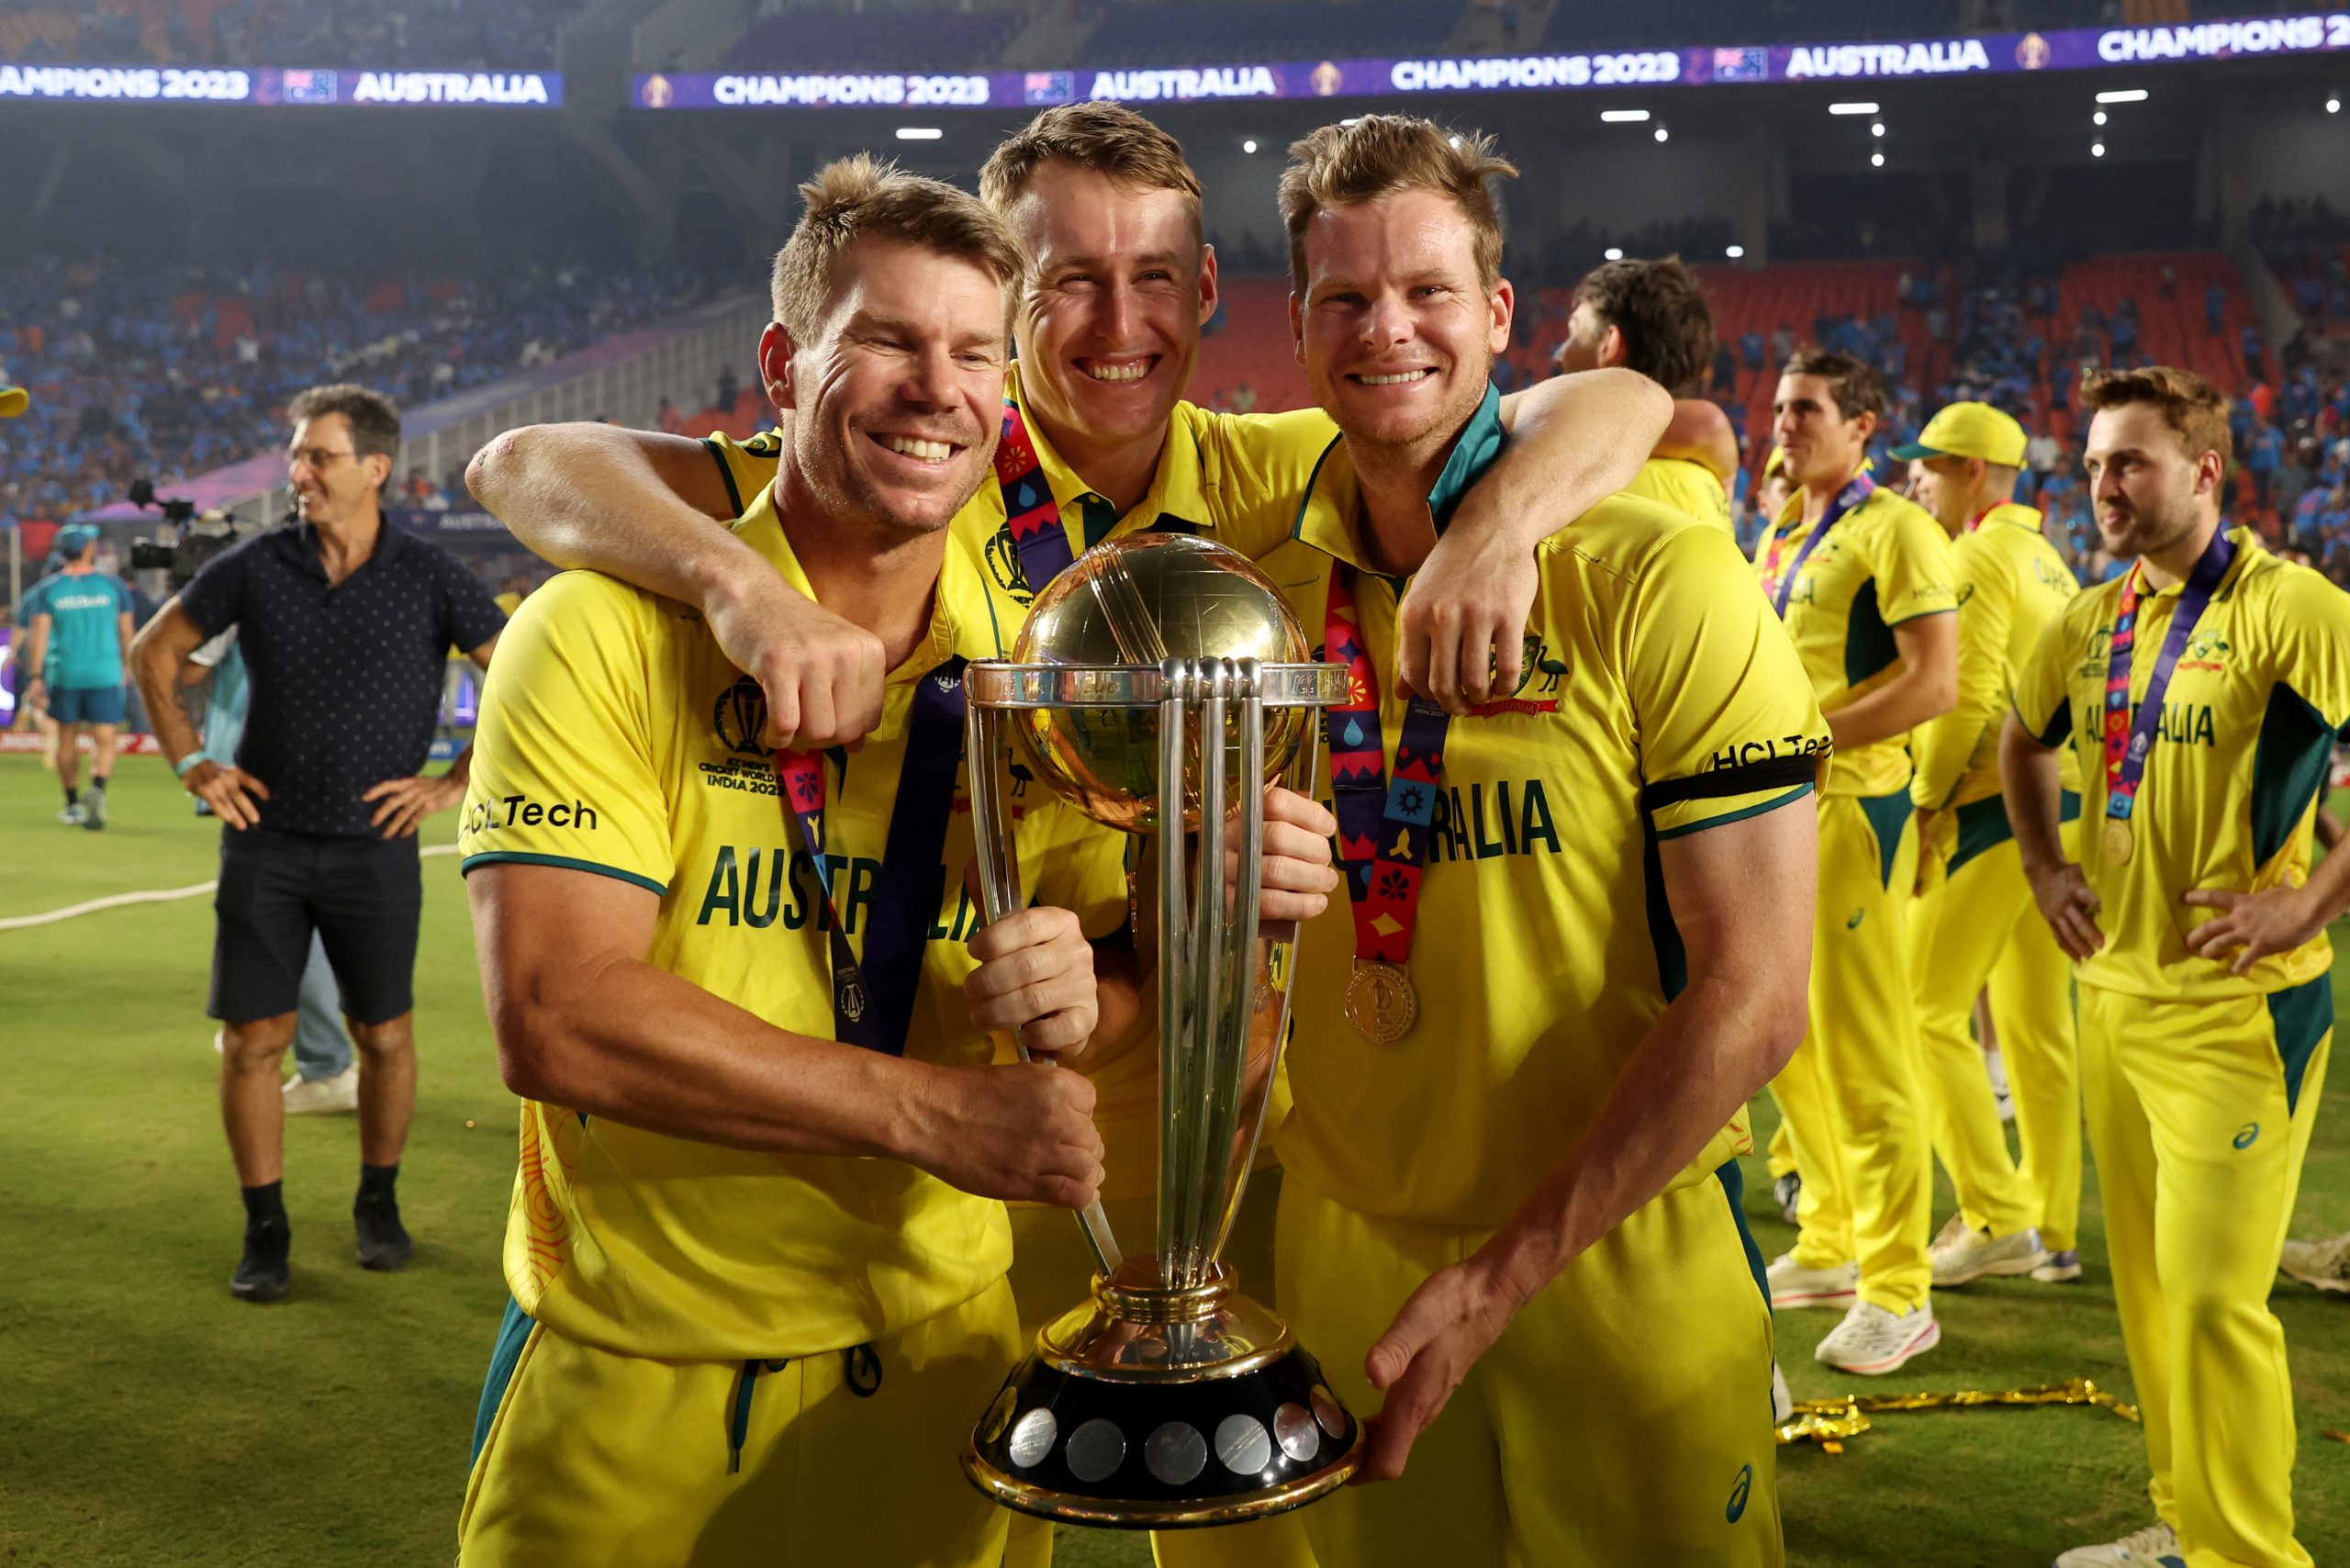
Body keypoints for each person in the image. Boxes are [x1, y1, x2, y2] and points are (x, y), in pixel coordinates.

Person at [463, 100, 1664, 1568]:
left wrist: (1492, 536)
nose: (1117, 319)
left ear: (1210, 297)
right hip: (967, 1168)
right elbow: (526, 460)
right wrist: (741, 589)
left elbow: (1616, 406)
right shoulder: (921, 474)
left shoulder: (1260, 472)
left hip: (1199, 1128)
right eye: (1064, 282)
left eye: (1155, 274)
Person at [453, 154, 1335, 1568]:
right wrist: (933, 1115)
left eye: (975, 352)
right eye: (886, 342)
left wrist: (1166, 941)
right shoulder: (603, 625)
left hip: (944, 1364)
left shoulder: (1040, 663)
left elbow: (1108, 981)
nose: (938, 389)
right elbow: (558, 1016)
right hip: (646, 1366)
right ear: (783, 366)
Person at [1252, 113, 1822, 1568]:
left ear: (1501, 315)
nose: (1390, 330)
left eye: (1430, 291)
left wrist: (1501, 1279)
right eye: (1345, 297)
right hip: (1343, 1270)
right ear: (1298, 322)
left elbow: (1757, 995)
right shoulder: (1247, 591)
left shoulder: (1663, 572)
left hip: (1616, 1264)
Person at [2006, 364, 2350, 1568]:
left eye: (2131, 461)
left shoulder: (2293, 605)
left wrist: (2307, 897)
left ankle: (2257, 1560)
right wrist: (2046, 868)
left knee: (2212, 1302)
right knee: (2150, 1304)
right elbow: (2019, 733)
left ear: (2206, 470)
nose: (2103, 483)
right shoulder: (2090, 620)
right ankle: (2186, 1528)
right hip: (2112, 993)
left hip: (2238, 1010)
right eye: (2095, 461)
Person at [128, 385, 506, 1303]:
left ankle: (378, 1203)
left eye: (318, 457)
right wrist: (191, 767)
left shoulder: (430, 573)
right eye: (297, 456)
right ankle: (267, 1228)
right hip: (265, 844)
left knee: (385, 1033)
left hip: (375, 848)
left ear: (375, 468)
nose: (298, 472)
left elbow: (518, 675)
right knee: (254, 1038)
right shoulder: (256, 565)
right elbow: (153, 652)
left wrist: (453, 781)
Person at [1753, 347, 1959, 1374]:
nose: (1785, 423)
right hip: (1784, 808)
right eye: (1782, 406)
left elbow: (1933, 684)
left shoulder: (1897, 529)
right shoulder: (1787, 529)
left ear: (1864, 424)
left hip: (1853, 811)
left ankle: (1899, 1289)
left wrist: (1809, 738)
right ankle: (1832, 1241)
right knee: (1791, 1046)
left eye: (1808, 409)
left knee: (1867, 1052)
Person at [1897, 401, 2084, 1287]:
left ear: (1972, 471)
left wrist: (1928, 802)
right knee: (2038, 1028)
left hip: (1991, 808)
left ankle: (1993, 1215)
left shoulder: (1974, 555)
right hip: (2066, 809)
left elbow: (1965, 700)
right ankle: (2052, 1225)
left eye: (1930, 466)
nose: (1916, 481)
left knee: (1924, 1010)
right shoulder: (2052, 561)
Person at [184, 625, 360, 1113]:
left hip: (263, 766)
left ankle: (326, 1066)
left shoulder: (251, 580)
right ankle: (263, 1027)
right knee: (286, 906)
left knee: (282, 910)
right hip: (335, 762)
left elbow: (186, 666)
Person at [1550, 254, 1738, 532]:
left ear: (1609, 345)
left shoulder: (1572, 491)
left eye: (1574, 332)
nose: (1559, 355)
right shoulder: (1707, 479)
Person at [17, 522, 134, 829]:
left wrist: (35, 676)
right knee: (105, 736)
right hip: (105, 672)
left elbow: (38, 636)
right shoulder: (114, 586)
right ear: (89, 549)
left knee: (66, 737)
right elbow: (126, 631)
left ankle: (71, 805)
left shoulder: (48, 589)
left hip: (64, 673)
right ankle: (98, 788)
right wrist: (130, 665)